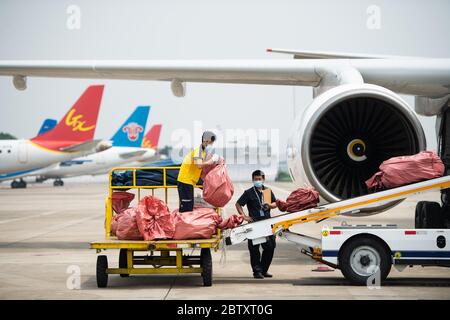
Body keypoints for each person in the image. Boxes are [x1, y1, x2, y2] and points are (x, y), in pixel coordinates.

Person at [235, 170, 277, 279]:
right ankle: (257, 271)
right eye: (256, 179)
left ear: (263, 179)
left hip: (267, 223)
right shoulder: (249, 193)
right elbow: (238, 204)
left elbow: (275, 203)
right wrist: (244, 216)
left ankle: (264, 270)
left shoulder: (267, 191)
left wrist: (270, 206)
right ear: (253, 179)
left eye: (259, 179)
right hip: (254, 224)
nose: (258, 181)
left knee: (270, 247)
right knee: (254, 250)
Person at [177, 131, 219, 212]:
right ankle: (183, 224)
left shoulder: (203, 152)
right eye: (210, 143)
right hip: (185, 181)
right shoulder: (198, 151)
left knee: (189, 207)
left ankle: (185, 223)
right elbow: (199, 165)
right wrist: (212, 160)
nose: (211, 145)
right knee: (186, 208)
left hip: (189, 182)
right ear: (205, 140)